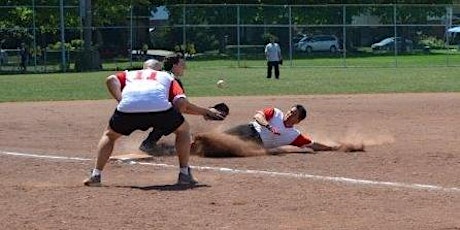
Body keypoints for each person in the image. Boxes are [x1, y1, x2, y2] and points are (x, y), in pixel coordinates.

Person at [83, 59, 225, 187]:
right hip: (160, 110)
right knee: (183, 131)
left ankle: (96, 175)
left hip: (127, 109)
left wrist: (120, 99)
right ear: (159, 69)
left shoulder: (130, 74)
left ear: (143, 68)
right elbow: (181, 103)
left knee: (110, 135)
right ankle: (184, 174)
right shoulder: (167, 77)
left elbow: (110, 79)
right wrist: (205, 112)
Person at [191, 105, 364, 158]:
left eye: (294, 114)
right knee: (217, 138)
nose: (289, 113)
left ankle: (191, 150)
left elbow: (311, 145)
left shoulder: (293, 135)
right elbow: (257, 115)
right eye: (290, 110)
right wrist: (267, 125)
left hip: (255, 143)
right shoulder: (276, 112)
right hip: (249, 129)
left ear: (298, 120)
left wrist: (335, 148)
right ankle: (183, 145)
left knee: (218, 150)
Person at [139, 53, 213, 155]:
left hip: (135, 112)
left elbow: (181, 108)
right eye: (182, 65)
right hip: (150, 113)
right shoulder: (172, 80)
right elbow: (183, 106)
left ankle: (153, 142)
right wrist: (206, 112)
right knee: (172, 118)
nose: (185, 67)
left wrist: (203, 112)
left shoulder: (162, 77)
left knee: (172, 116)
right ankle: (149, 143)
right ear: (175, 66)